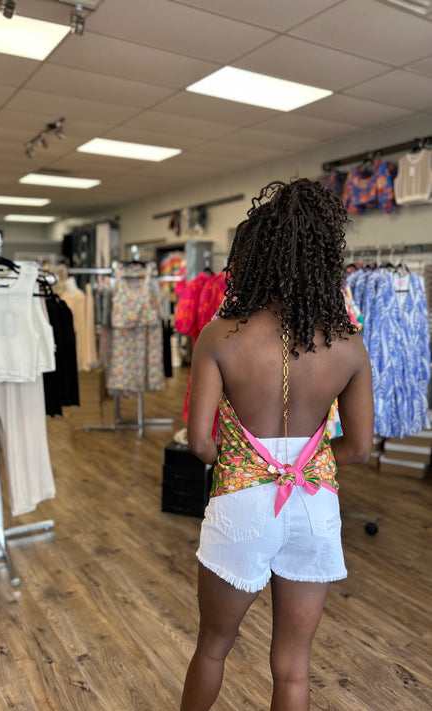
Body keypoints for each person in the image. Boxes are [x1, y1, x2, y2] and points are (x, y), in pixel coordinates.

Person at [180, 178, 374, 711]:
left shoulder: (221, 335)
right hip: (316, 505)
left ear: (252, 257)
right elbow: (358, 448)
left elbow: (199, 441)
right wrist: (301, 464)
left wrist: (249, 463)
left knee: (213, 649)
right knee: (293, 666)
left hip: (243, 501)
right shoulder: (349, 343)